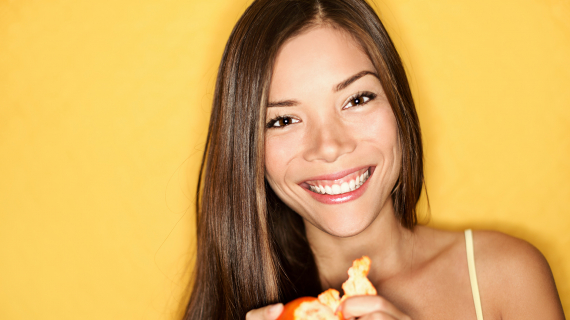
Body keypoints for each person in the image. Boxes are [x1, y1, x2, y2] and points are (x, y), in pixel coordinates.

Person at [183, 0, 565, 319]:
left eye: (357, 100)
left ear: (397, 103)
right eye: (283, 120)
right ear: (248, 147)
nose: (329, 146)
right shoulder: (232, 306)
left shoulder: (507, 277)